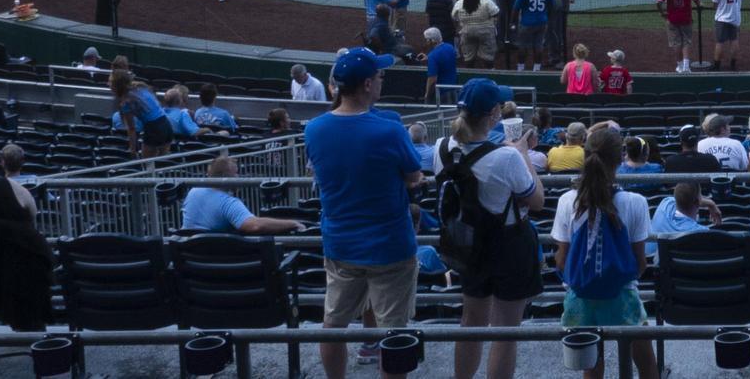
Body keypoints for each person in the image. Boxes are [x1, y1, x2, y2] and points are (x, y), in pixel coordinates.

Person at [305, 48, 423, 379]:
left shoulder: (313, 129)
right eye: (381, 76)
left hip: (341, 245)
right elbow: (415, 178)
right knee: (394, 334)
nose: (382, 81)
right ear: (368, 84)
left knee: (333, 324)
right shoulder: (389, 130)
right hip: (390, 247)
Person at [438, 80, 544, 379]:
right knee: (505, 333)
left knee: (470, 323)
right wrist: (523, 154)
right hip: (508, 246)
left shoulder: (442, 148)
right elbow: (537, 199)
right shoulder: (507, 157)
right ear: (495, 114)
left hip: (467, 245)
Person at [550, 125, 657, 379]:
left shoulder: (567, 201)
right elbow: (640, 262)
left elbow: (561, 259)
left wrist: (586, 280)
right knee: (646, 362)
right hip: (623, 295)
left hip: (580, 296)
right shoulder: (635, 202)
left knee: (592, 364)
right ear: (620, 159)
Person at [183, 153, 306, 234]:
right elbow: (254, 225)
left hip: (190, 256)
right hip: (214, 259)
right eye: (236, 173)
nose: (239, 177)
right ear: (226, 177)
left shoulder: (193, 191)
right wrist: (292, 223)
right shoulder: (228, 203)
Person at [111, 69, 174, 158]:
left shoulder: (125, 102)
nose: (108, 84)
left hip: (153, 128)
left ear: (116, 85)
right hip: (166, 124)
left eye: (110, 83)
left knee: (147, 165)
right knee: (163, 164)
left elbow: (131, 128)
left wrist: (132, 149)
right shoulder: (141, 86)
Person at [656, 0, 698, 73]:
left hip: (672, 19)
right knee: (686, 42)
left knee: (676, 43)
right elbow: (697, 0)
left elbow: (659, 2)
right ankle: (686, 67)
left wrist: (662, 13)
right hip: (686, 18)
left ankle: (679, 67)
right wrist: (699, 6)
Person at [709, 0, 747, 70]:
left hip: (722, 18)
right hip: (735, 17)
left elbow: (715, 3)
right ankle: (733, 65)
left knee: (720, 42)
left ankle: (716, 66)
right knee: (734, 40)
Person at [514, 0, 554, 74]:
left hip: (526, 23)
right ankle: (536, 69)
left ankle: (521, 68)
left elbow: (516, 9)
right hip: (542, 22)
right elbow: (551, 6)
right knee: (538, 46)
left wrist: (512, 22)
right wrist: (546, 17)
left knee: (522, 46)